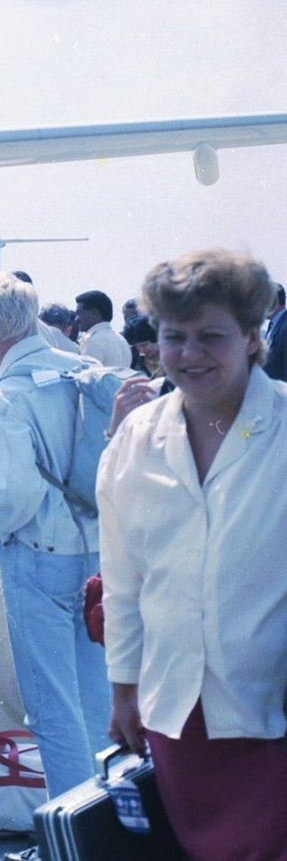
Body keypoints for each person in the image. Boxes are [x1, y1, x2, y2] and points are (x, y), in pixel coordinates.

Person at [98, 250, 287, 860]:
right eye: (174, 337)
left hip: (273, 713)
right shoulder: (136, 435)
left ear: (254, 337)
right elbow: (123, 579)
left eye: (211, 336)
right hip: (177, 716)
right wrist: (123, 689)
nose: (190, 354)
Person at [0, 272, 110, 799]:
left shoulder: (2, 400)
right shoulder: (83, 371)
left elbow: (14, 497)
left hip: (39, 558)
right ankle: (111, 821)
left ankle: (73, 835)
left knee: (50, 707)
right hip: (95, 554)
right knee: (96, 698)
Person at [74, 290, 134, 367]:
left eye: (79, 314)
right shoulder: (122, 340)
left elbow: (89, 376)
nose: (76, 319)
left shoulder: (92, 341)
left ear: (94, 313)